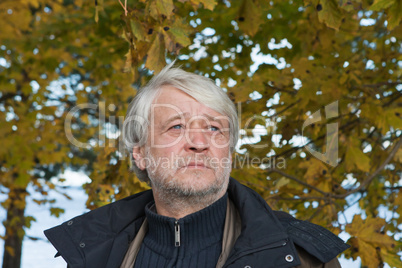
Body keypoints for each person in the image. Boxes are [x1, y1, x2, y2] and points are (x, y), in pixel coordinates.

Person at [44, 63, 349, 268]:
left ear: (229, 151)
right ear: (140, 153)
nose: (199, 142)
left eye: (215, 128)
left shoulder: (300, 257)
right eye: (176, 127)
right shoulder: (95, 253)